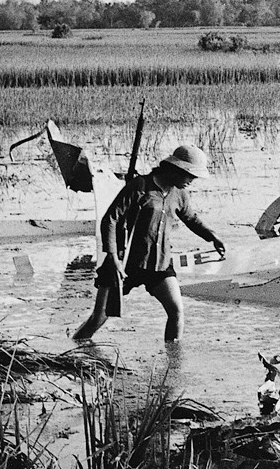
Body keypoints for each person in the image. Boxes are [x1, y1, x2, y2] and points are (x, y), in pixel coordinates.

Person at [73, 145, 224, 342]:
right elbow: (110, 219)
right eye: (190, 175)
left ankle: (173, 362)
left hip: (159, 264)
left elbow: (191, 219)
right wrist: (112, 257)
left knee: (176, 311)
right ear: (176, 169)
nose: (192, 181)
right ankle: (74, 349)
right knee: (99, 317)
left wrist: (212, 237)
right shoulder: (139, 186)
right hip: (124, 263)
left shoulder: (179, 194)